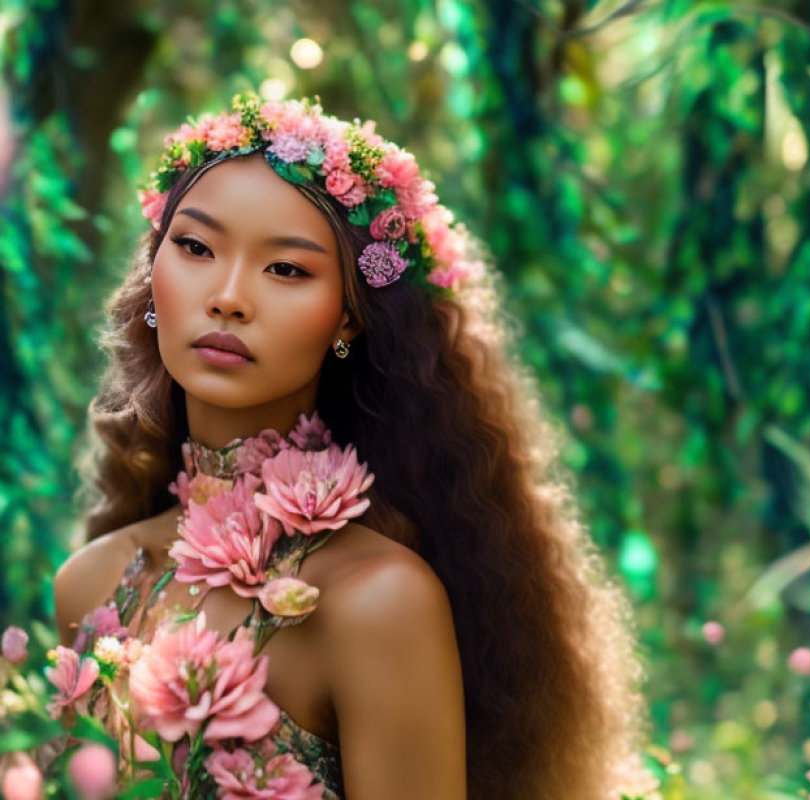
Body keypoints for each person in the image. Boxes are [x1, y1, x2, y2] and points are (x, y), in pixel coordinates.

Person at [52, 91, 650, 800]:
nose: (228, 296)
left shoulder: (378, 600)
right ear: (154, 276)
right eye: (195, 247)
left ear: (350, 321)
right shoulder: (92, 584)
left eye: (287, 269)